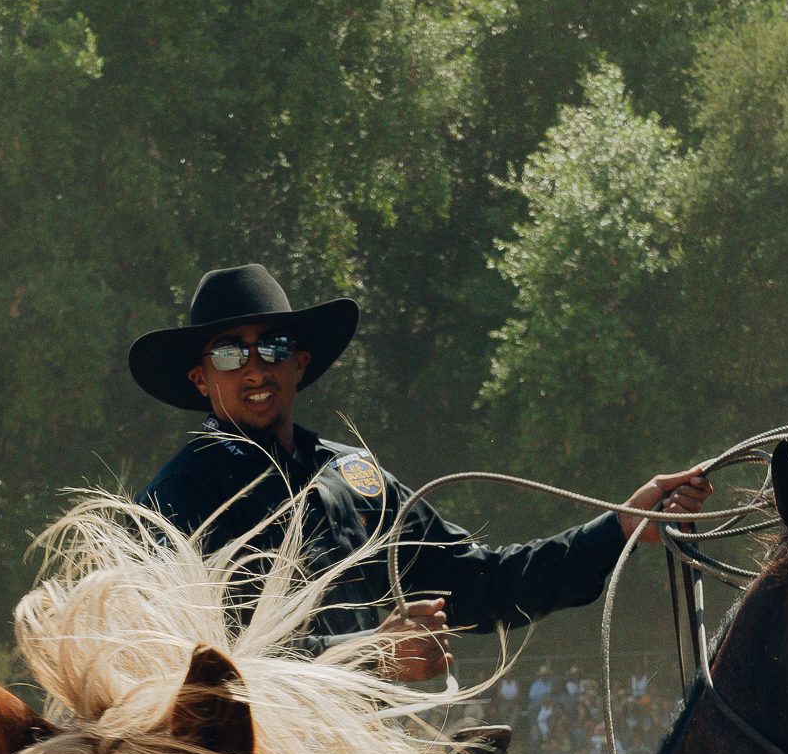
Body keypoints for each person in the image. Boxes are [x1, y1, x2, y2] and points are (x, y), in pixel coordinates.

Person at [131, 263, 710, 679]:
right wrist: (370, 654)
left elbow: (483, 583)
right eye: (229, 353)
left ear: (300, 363)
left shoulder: (351, 475)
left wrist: (622, 528)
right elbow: (184, 667)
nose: (255, 367)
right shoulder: (176, 498)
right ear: (201, 378)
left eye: (274, 348)